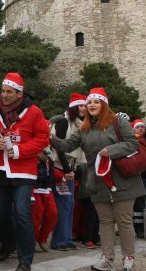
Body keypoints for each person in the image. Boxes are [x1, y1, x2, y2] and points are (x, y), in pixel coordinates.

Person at [51, 88, 145, 271]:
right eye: (89, 102)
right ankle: (107, 259)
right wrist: (49, 137)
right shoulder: (83, 128)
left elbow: (133, 143)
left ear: (104, 104)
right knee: (105, 222)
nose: (91, 105)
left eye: (96, 101)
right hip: (98, 181)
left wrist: (110, 151)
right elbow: (66, 145)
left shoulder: (118, 122)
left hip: (122, 180)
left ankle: (129, 258)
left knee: (124, 221)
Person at [0, 73, 50, 271]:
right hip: (0, 170)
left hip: (23, 171)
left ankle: (25, 259)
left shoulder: (34, 112)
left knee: (22, 214)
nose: (4, 95)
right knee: (1, 214)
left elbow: (42, 138)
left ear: (20, 93)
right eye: (3, 91)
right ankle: (7, 244)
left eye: (9, 92)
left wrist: (20, 150)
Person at [49, 93, 86, 251]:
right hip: (61, 167)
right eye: (81, 105)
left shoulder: (79, 124)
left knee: (70, 204)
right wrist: (66, 169)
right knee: (63, 204)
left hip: (71, 167)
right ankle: (58, 240)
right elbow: (60, 147)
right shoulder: (64, 122)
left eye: (85, 105)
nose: (84, 108)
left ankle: (66, 238)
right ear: (74, 107)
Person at [32, 149, 57, 254]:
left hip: (47, 188)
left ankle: (42, 239)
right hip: (35, 187)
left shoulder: (49, 152)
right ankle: (33, 240)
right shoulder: (34, 152)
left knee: (53, 213)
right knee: (36, 216)